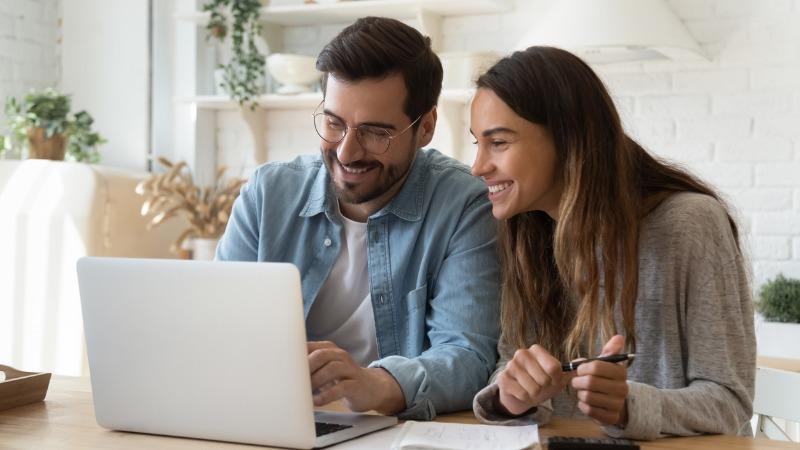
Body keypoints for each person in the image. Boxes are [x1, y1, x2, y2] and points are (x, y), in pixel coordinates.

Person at [215, 17, 500, 421]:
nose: (347, 153)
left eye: (375, 132)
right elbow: (216, 327)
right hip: (270, 418)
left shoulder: (463, 206)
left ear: (426, 128)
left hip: (390, 430)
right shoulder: (267, 194)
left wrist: (376, 385)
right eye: (333, 123)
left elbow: (468, 356)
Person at [469, 46, 755, 440]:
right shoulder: (529, 234)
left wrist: (628, 407)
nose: (478, 166)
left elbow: (730, 402)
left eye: (498, 143)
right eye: (477, 144)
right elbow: (511, 363)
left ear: (567, 139)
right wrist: (512, 396)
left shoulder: (690, 224)